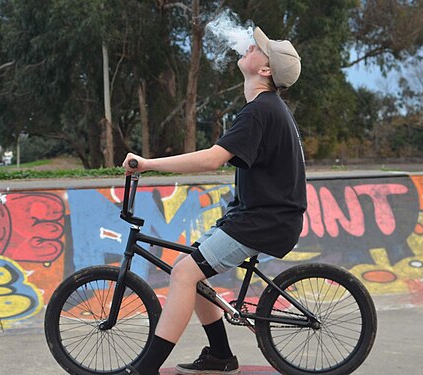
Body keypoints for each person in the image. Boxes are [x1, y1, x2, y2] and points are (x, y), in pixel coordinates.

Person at [122, 27, 306, 375]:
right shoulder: (267, 108)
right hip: (258, 217)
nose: (250, 45)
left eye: (259, 49)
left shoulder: (260, 111)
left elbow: (211, 159)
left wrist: (147, 164)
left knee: (183, 274)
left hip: (263, 222)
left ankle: (145, 369)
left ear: (265, 70)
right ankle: (220, 356)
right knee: (197, 274)